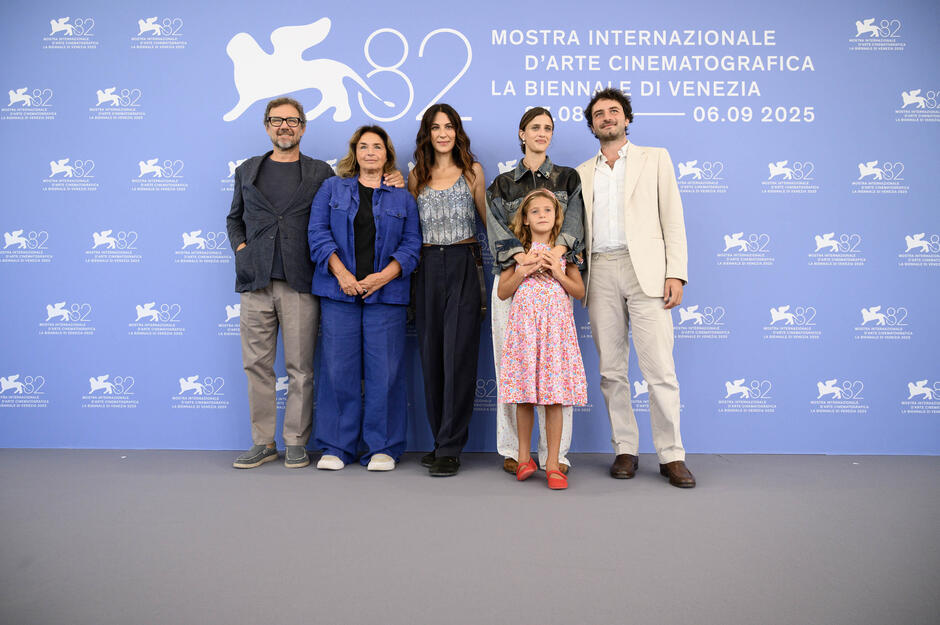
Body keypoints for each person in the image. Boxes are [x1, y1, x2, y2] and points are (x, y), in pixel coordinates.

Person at [576, 88, 695, 488]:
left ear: (627, 118)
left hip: (648, 270)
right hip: (600, 270)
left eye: (614, 111)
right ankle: (624, 449)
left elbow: (673, 218)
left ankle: (671, 455)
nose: (606, 117)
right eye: (599, 114)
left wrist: (675, 273)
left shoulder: (655, 158)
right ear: (592, 125)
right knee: (611, 371)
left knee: (659, 368)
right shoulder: (581, 172)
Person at [225, 97, 333, 470]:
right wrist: (243, 250)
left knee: (300, 367)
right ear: (267, 126)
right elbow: (234, 218)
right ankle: (263, 442)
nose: (284, 126)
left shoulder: (321, 172)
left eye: (292, 120)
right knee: (256, 364)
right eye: (276, 120)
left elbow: (340, 210)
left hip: (300, 282)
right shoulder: (247, 170)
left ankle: (296, 443)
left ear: (302, 127)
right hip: (255, 282)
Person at [307, 126, 421, 471]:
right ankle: (336, 447)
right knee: (337, 369)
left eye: (377, 147)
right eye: (364, 146)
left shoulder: (403, 197)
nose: (370, 152)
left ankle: (382, 447)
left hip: (386, 297)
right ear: (354, 152)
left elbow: (412, 245)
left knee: (385, 372)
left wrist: (382, 277)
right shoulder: (331, 188)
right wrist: (343, 275)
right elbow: (317, 234)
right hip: (338, 293)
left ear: (387, 154)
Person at [486, 107, 584, 475]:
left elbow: (575, 221)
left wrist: (554, 255)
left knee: (555, 370)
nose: (541, 133)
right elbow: (497, 226)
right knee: (512, 365)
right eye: (534, 127)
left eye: (548, 128)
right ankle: (514, 451)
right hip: (515, 275)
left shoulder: (567, 178)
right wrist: (523, 258)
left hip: (553, 277)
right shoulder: (502, 184)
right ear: (521, 133)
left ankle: (555, 454)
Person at [408, 104, 487, 477]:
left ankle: (452, 446)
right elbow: (406, 228)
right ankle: (440, 440)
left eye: (449, 126)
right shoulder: (415, 176)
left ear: (458, 132)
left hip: (462, 263)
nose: (443, 133)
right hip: (425, 267)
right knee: (432, 357)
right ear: (428, 133)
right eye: (436, 127)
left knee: (458, 355)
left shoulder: (472, 172)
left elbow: (490, 223)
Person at [497, 189, 587, 490]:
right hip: (525, 330)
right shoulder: (517, 251)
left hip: (554, 332)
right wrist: (525, 269)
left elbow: (579, 291)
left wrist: (556, 273)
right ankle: (524, 458)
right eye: (535, 211)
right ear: (525, 218)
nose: (542, 215)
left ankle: (552, 463)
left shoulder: (565, 252)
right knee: (524, 395)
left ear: (556, 215)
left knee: (554, 398)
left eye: (548, 210)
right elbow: (502, 292)